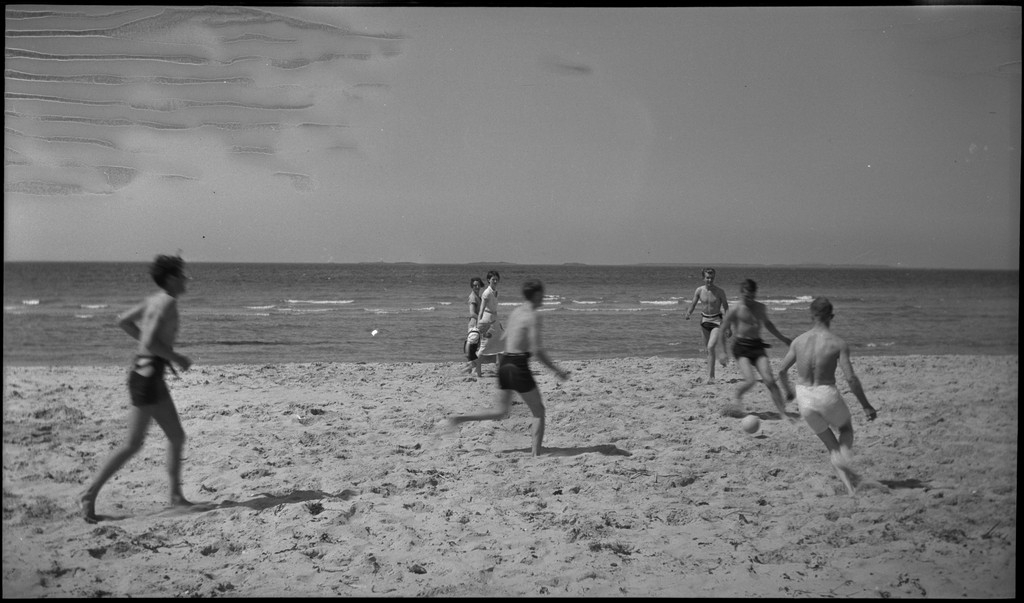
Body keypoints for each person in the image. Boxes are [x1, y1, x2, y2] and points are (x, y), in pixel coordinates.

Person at [79, 254, 195, 523]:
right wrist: (177, 357)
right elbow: (152, 343)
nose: (186, 279)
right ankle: (89, 494)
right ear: (171, 278)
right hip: (148, 375)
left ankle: (176, 496)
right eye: (182, 274)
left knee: (176, 436)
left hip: (147, 373)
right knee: (132, 443)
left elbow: (123, 321)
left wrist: (157, 353)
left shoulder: (154, 300)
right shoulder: (166, 304)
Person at [447, 278, 570, 456]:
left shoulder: (516, 312)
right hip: (519, 366)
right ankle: (536, 454)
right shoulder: (533, 315)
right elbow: (536, 349)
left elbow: (501, 340)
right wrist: (557, 370)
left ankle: (460, 418)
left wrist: (477, 360)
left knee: (500, 412)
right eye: (541, 293)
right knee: (539, 412)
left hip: (505, 365)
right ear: (536, 295)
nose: (543, 296)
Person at [777, 296, 878, 496]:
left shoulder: (798, 341)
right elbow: (851, 378)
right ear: (831, 316)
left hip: (804, 397)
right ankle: (842, 460)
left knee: (831, 446)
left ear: (811, 315)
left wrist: (788, 391)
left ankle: (850, 489)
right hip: (826, 394)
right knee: (846, 429)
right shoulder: (838, 344)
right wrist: (866, 405)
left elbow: (781, 371)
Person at [717, 279, 793, 419]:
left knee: (769, 380)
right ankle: (737, 397)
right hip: (741, 348)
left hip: (757, 346)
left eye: (752, 296)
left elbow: (768, 325)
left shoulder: (760, 308)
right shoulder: (735, 309)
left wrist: (783, 338)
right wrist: (722, 352)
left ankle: (782, 412)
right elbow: (722, 330)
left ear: (755, 294)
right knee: (750, 380)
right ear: (742, 293)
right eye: (747, 296)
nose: (750, 299)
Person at [684, 267, 730, 383]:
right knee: (708, 350)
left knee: (710, 347)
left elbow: (726, 307)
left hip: (716, 322)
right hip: (704, 321)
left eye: (712, 278)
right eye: (708, 278)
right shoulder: (699, 290)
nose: (710, 280)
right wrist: (689, 312)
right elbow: (693, 303)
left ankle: (711, 377)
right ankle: (712, 373)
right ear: (703, 278)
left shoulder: (720, 291)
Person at [473, 270, 505, 376]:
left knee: (502, 342)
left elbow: (494, 309)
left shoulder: (495, 291)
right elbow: (481, 309)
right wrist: (479, 325)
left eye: (496, 279)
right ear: (488, 280)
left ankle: (499, 368)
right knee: (484, 346)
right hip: (487, 321)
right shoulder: (486, 293)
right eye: (493, 279)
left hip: (495, 320)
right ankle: (477, 370)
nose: (495, 281)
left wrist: (499, 323)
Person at [463, 277, 484, 374]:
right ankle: (469, 369)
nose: (477, 286)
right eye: (475, 285)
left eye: (478, 285)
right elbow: (472, 313)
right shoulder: (473, 297)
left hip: (475, 326)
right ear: (472, 286)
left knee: (473, 350)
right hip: (474, 326)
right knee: (473, 350)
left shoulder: (477, 297)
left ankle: (469, 371)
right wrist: (482, 320)